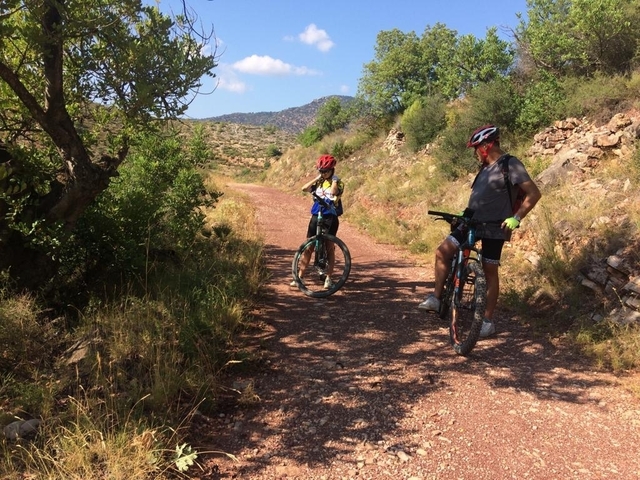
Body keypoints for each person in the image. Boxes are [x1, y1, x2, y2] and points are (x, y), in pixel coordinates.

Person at [418, 125, 542, 337]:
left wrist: (516, 218)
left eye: (476, 147)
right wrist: (463, 214)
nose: (475, 152)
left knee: (489, 272)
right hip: (471, 223)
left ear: (487, 145)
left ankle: (486, 321)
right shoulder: (484, 167)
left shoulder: (510, 164)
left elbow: (534, 193)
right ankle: (437, 299)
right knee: (443, 252)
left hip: (495, 227)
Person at [291, 154, 345, 289]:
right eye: (321, 171)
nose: (323, 173)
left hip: (330, 218)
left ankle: (328, 278)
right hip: (316, 216)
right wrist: (317, 178)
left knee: (329, 247)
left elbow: (333, 193)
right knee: (309, 247)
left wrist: (333, 180)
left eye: (325, 171)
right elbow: (304, 188)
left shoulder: (338, 182)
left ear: (332, 170)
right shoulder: (319, 182)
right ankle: (300, 276)